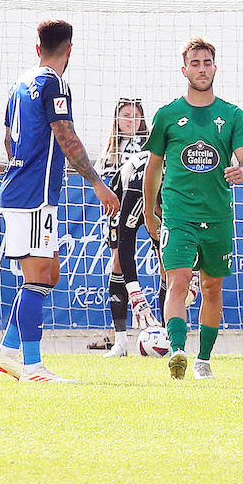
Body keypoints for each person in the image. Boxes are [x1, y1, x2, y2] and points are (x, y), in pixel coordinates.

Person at [0, 20, 120, 383]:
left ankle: (7, 352)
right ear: (70, 50)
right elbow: (66, 135)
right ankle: (32, 366)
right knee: (37, 278)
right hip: (31, 195)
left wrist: (25, 163)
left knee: (49, 276)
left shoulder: (20, 83)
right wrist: (97, 183)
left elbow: (6, 140)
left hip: (27, 191)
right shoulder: (53, 83)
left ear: (38, 47)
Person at [142, 38, 243, 381]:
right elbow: (154, 168)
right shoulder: (168, 115)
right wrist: (150, 212)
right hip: (178, 214)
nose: (202, 69)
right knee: (176, 281)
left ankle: (204, 359)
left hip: (218, 214)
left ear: (214, 68)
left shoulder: (232, 114)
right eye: (195, 63)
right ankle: (177, 350)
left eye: (207, 63)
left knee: (212, 288)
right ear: (184, 69)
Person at [95, 98, 158, 357]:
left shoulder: (151, 145)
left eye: (135, 115)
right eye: (125, 115)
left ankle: (164, 332)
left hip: (153, 204)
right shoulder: (111, 149)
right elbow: (99, 178)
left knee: (166, 259)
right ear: (117, 119)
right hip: (121, 208)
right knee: (118, 262)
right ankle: (120, 340)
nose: (131, 120)